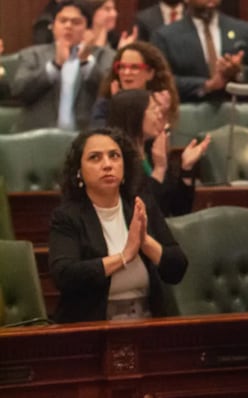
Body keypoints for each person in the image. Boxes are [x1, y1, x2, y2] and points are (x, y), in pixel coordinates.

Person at [49, 128, 188, 323]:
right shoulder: (67, 216)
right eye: (95, 158)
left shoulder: (141, 205)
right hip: (91, 326)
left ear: (124, 168)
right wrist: (124, 256)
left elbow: (177, 268)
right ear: (78, 172)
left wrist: (145, 242)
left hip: (148, 321)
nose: (107, 165)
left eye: (114, 156)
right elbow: (65, 275)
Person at [11, 1, 115, 132]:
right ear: (53, 26)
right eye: (63, 21)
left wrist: (85, 63)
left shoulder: (104, 56)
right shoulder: (33, 54)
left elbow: (111, 94)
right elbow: (19, 91)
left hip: (85, 139)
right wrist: (55, 66)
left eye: (76, 22)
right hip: (37, 139)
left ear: (88, 30)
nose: (68, 26)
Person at [152, 0, 248, 102]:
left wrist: (241, 72)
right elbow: (159, 82)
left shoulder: (246, 31)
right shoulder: (165, 36)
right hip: (189, 117)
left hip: (239, 114)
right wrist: (207, 85)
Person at [107, 89, 209, 217]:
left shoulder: (152, 150)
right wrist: (159, 169)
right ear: (135, 116)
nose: (160, 115)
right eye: (154, 109)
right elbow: (144, 214)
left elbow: (180, 209)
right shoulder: (117, 161)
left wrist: (186, 168)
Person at [92, 41, 180, 127]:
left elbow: (157, 139)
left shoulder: (159, 105)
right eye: (122, 67)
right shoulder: (105, 104)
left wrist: (162, 117)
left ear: (150, 73)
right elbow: (103, 136)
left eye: (134, 67)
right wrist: (118, 108)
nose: (126, 72)